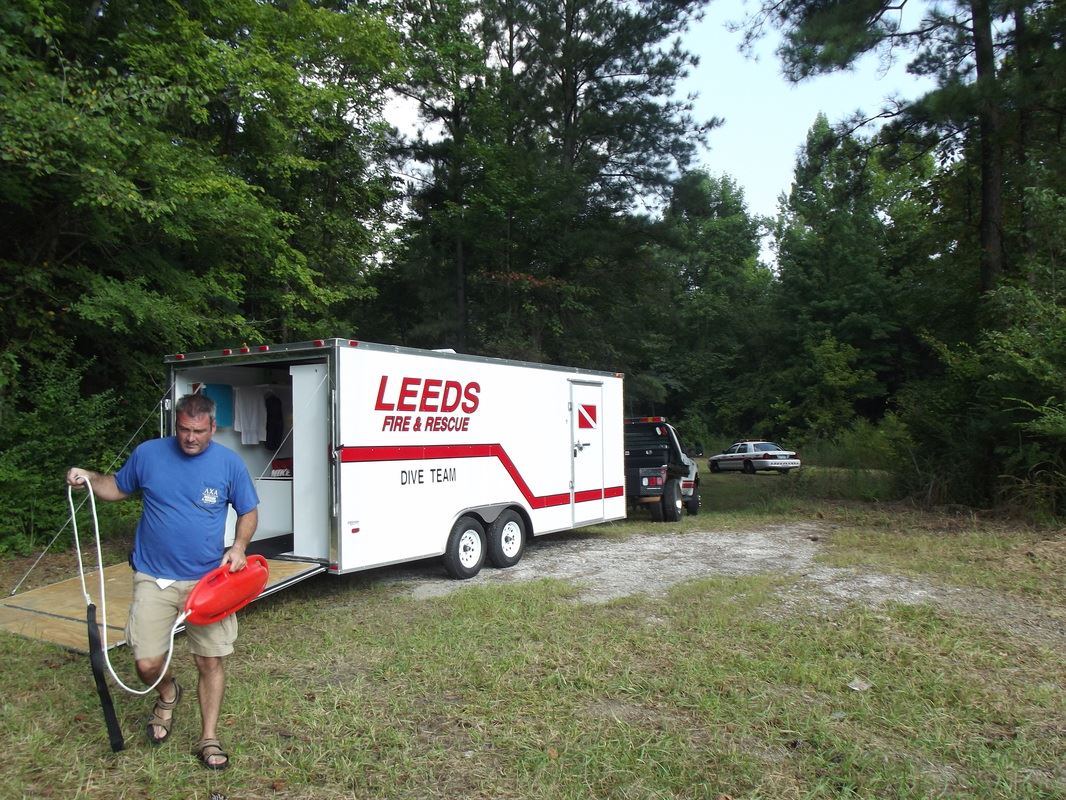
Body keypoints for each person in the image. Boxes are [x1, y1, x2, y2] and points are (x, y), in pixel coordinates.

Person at [67, 392, 259, 770]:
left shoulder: (228, 464)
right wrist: (89, 477)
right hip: (153, 577)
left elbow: (248, 510)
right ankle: (169, 691)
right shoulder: (149, 454)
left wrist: (239, 547)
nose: (191, 438)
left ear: (213, 427)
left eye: (199, 431)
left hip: (208, 582)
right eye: (184, 430)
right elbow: (116, 487)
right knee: (146, 664)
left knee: (209, 660)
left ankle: (208, 737)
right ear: (176, 425)